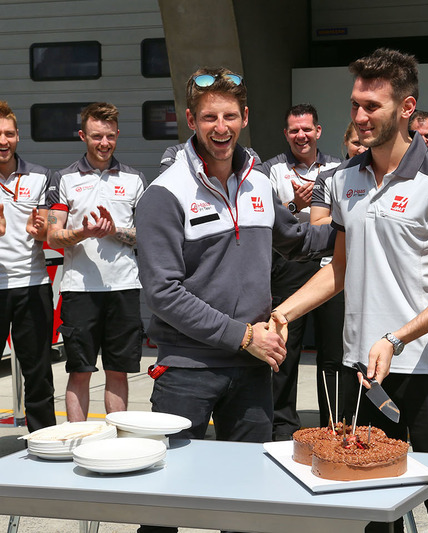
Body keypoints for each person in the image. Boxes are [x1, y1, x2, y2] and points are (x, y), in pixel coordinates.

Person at [271, 48, 428, 533]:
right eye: (355, 104)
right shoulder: (344, 179)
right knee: (371, 506)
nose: (360, 117)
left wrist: (396, 338)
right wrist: (284, 311)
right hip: (364, 373)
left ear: (406, 109)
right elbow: (340, 268)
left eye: (372, 106)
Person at [135, 67, 334, 533]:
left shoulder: (259, 183)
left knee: (247, 503)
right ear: (191, 119)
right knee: (165, 503)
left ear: (245, 117)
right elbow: (163, 292)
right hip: (189, 369)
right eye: (209, 117)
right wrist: (242, 335)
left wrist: (359, 227)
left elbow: (300, 240)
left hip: (250, 371)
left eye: (229, 116)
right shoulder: (165, 193)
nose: (220, 127)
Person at [46, 102, 145, 422]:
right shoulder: (64, 179)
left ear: (118, 135)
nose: (104, 143)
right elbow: (52, 235)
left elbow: (146, 235)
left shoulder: (134, 178)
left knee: (118, 371)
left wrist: (114, 230)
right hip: (79, 289)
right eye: (96, 136)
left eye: (110, 136)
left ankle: (118, 440)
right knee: (79, 371)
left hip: (124, 286)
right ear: (82, 136)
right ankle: (78, 439)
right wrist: (83, 232)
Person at [261, 104, 342, 440]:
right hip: (288, 265)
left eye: (306, 129)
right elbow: (264, 214)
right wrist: (294, 206)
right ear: (286, 134)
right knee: (285, 348)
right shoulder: (269, 170)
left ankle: (334, 425)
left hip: (330, 264)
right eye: (294, 130)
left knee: (333, 350)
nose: (301, 136)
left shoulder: (339, 168)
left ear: (318, 131)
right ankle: (281, 425)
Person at [0, 101, 56, 432]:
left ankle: (44, 442)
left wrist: (44, 231)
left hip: (32, 285)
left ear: (18, 136)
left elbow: (51, 224)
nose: (2, 141)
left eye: (8, 133)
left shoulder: (40, 177)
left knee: (38, 373)